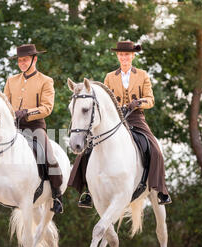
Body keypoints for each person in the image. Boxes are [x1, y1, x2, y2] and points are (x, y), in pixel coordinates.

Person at [0, 44, 64, 214]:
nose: (22, 63)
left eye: (25, 60)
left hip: (34, 125)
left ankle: (56, 194)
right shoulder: (11, 81)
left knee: (48, 155)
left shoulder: (46, 81)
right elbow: (4, 104)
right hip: (12, 127)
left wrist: (27, 112)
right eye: (20, 60)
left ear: (34, 59)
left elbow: (47, 108)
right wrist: (11, 114)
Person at [69, 40, 172, 207]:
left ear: (132, 56)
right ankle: (88, 191)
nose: (124, 57)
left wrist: (138, 103)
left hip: (136, 117)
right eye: (121, 54)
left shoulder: (143, 75)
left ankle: (160, 189)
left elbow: (151, 99)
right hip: (114, 119)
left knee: (155, 149)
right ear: (118, 56)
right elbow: (104, 100)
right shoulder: (110, 77)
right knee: (88, 149)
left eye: (127, 55)